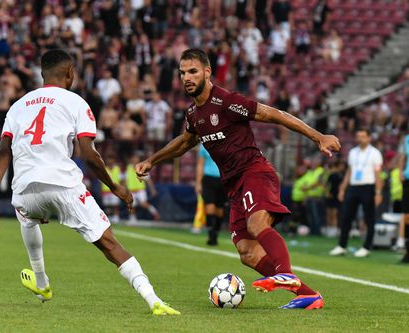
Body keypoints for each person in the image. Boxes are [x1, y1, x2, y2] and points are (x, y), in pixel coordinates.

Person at [136, 48, 341, 309]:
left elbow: (275, 115)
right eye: (183, 73)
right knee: (248, 252)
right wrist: (152, 160)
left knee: (257, 225)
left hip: (255, 172)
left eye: (193, 71)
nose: (186, 77)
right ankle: (309, 295)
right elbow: (183, 143)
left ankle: (286, 273)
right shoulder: (193, 115)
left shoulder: (228, 102)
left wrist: (318, 137)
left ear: (207, 72)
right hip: (233, 186)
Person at [0, 49, 179, 316]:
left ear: (42, 74)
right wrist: (115, 186)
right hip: (63, 184)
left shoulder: (18, 105)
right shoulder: (76, 103)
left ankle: (41, 283)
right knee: (109, 244)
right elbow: (89, 154)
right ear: (70, 73)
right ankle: (154, 300)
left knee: (26, 217)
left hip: (25, 189)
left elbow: (2, 152)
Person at [330, 129, 383, 258]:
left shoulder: (375, 153)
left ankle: (366, 247)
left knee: (369, 218)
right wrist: (343, 188)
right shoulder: (353, 152)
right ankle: (342, 246)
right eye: (358, 136)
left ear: (369, 138)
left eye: (363, 136)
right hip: (353, 187)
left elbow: (378, 174)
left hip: (368, 187)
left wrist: (378, 192)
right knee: (346, 216)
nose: (360, 139)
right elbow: (349, 171)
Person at [195, 144, 227, 245]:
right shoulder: (204, 145)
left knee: (219, 210)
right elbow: (200, 164)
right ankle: (211, 235)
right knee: (210, 207)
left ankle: (216, 232)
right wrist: (198, 183)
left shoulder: (226, 143)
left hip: (223, 179)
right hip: (208, 179)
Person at [124, 154, 160, 223]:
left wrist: (152, 190)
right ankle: (133, 218)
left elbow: (148, 180)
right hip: (131, 190)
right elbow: (125, 180)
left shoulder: (142, 168)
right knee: (131, 205)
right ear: (131, 160)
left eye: (136, 159)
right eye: (133, 159)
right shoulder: (128, 168)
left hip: (140, 190)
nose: (134, 160)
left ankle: (155, 213)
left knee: (143, 204)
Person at [398, 132, 409, 263]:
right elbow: (402, 156)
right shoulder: (406, 139)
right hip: (408, 180)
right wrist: (400, 171)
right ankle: (407, 249)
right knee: (406, 216)